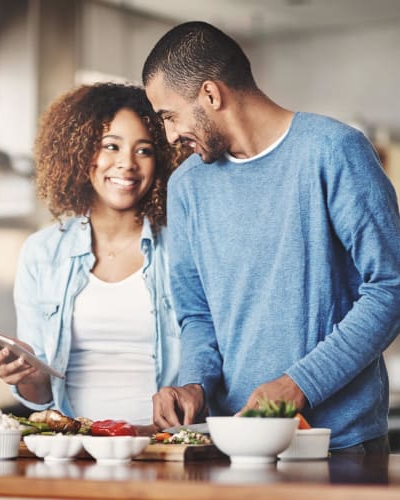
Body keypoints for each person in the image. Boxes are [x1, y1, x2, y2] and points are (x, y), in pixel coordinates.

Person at [142, 21, 400, 452]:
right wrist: (194, 384)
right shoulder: (186, 186)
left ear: (210, 94)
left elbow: (390, 287)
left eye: (170, 115)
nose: (169, 135)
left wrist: (300, 384)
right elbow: (197, 314)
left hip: (338, 446)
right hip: (235, 443)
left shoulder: (334, 152)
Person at [0, 83, 186, 430]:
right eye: (111, 146)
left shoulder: (183, 246)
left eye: (144, 150)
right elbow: (41, 397)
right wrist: (25, 374)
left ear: (162, 160)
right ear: (79, 153)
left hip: (163, 447)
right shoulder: (42, 253)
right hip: (75, 449)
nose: (126, 164)